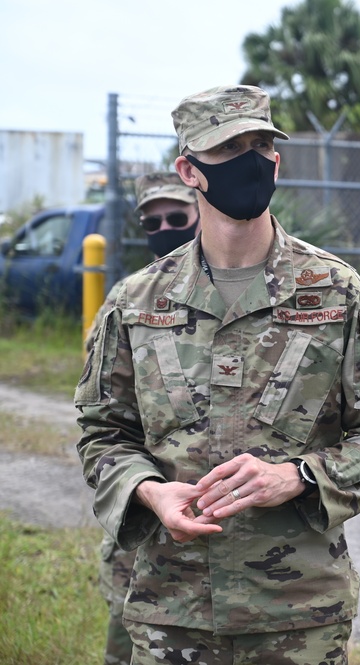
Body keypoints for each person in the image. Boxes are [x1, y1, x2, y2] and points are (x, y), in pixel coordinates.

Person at [76, 84, 360, 665]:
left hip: (297, 615)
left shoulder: (336, 293)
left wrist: (301, 477)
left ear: (277, 161)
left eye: (262, 144)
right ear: (189, 170)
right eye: (230, 149)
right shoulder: (136, 303)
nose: (252, 161)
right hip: (170, 611)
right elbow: (102, 434)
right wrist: (151, 492)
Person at [85, 171, 200, 665]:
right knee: (127, 639)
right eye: (152, 222)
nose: (165, 228)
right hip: (145, 521)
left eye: (177, 217)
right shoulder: (126, 301)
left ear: (201, 211)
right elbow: (104, 417)